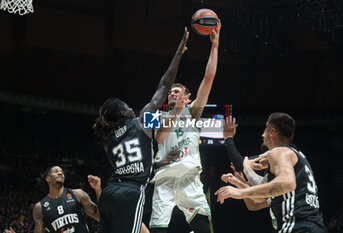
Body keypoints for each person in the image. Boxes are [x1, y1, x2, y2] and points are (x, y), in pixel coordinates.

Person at [92, 27, 190, 233]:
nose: (130, 107)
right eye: (126, 105)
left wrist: (159, 162)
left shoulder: (108, 137)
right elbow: (164, 87)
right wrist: (179, 53)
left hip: (109, 192)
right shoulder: (141, 120)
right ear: (124, 112)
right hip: (130, 193)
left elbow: (131, 163)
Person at [149, 21, 221, 233]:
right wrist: (175, 111)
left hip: (190, 177)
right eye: (171, 92)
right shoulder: (157, 115)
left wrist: (215, 45)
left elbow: (209, 78)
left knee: (204, 229)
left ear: (187, 98)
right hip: (165, 179)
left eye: (177, 91)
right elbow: (159, 138)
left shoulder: (194, 112)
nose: (172, 92)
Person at [215, 112, 328, 233]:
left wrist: (228, 139)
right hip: (314, 227)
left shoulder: (279, 152)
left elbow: (287, 184)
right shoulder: (296, 157)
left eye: (265, 129)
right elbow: (256, 202)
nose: (262, 134)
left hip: (297, 226)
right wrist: (240, 183)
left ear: (272, 132)